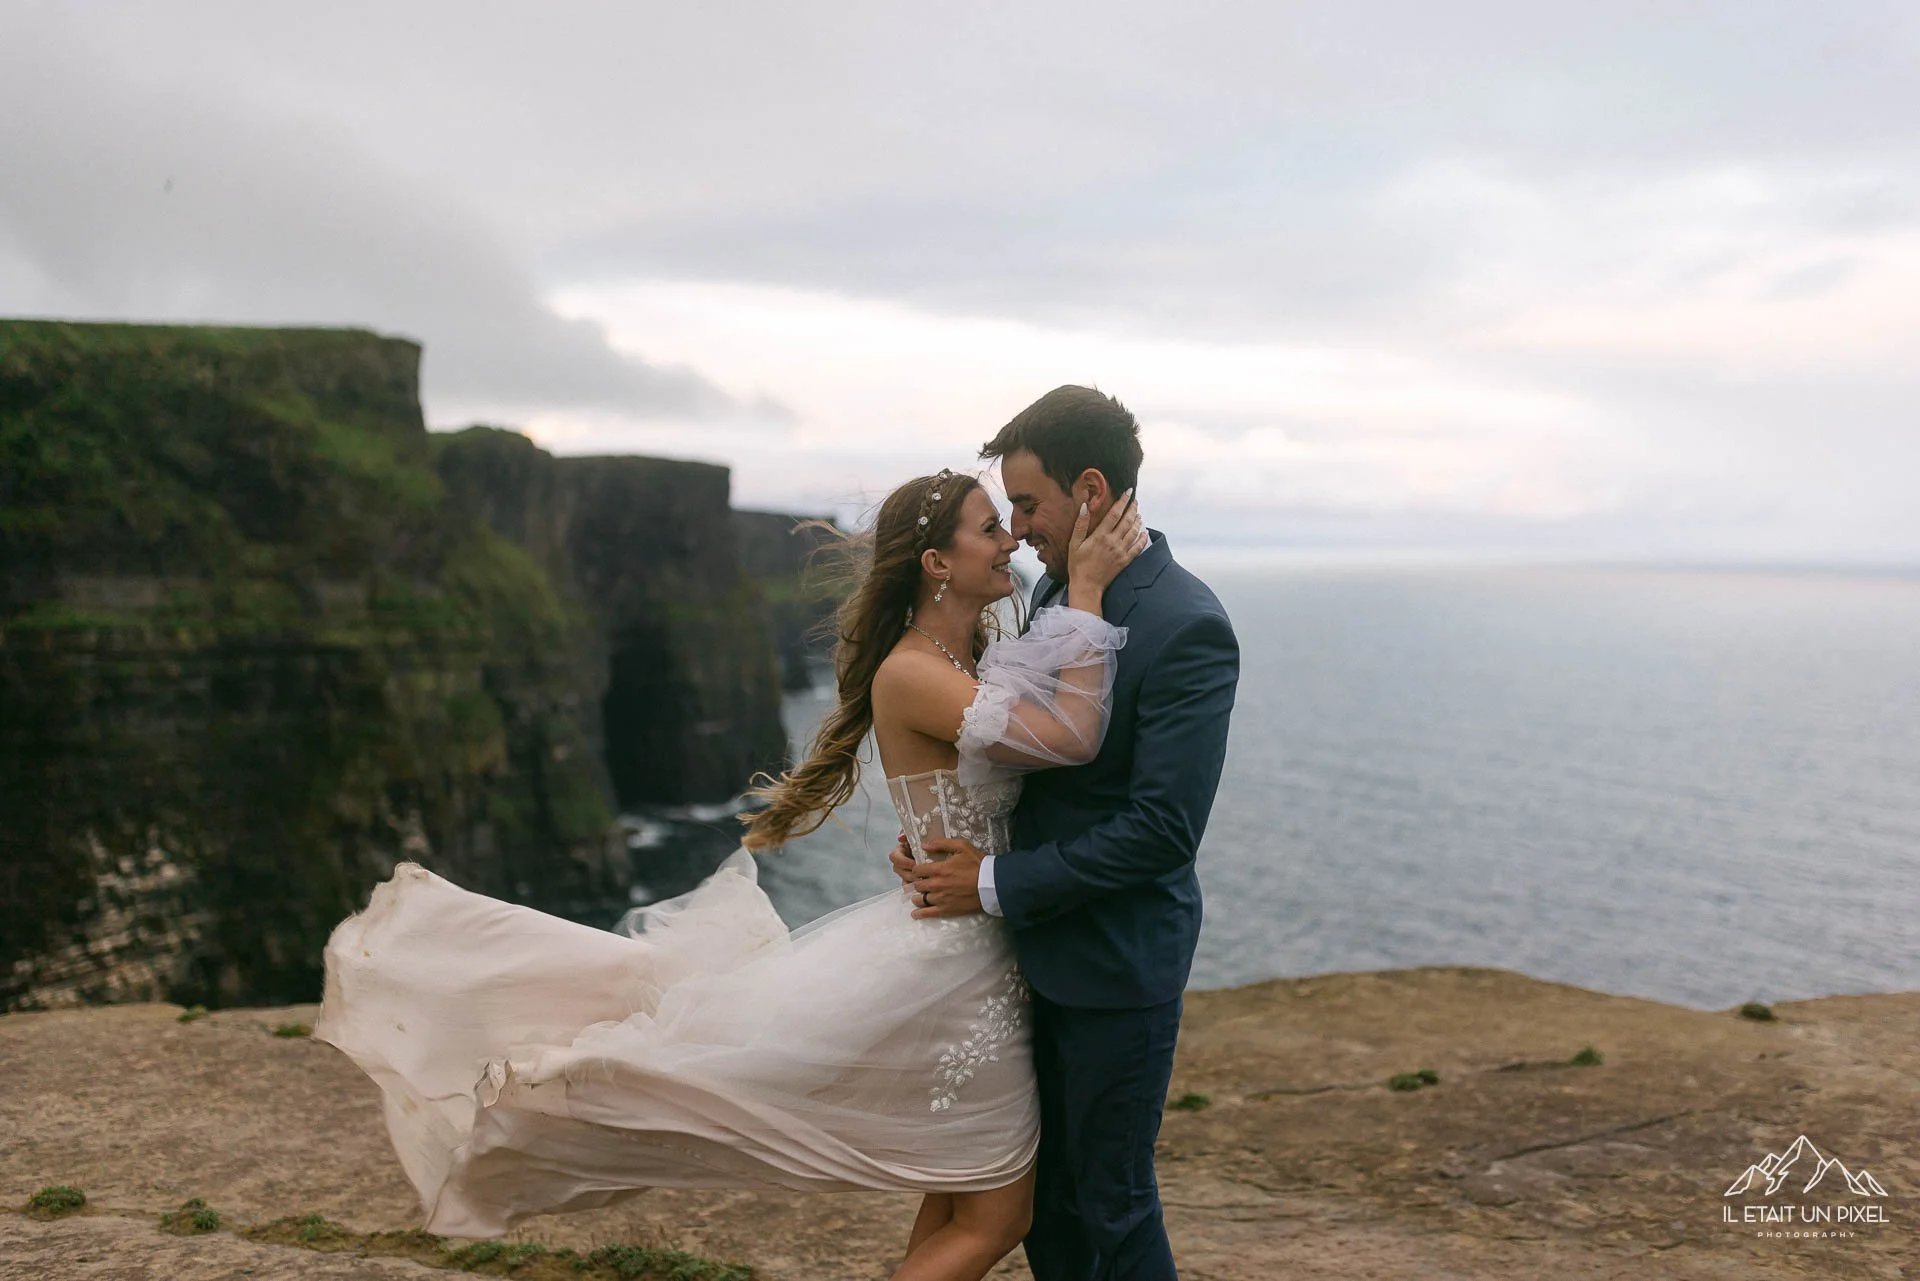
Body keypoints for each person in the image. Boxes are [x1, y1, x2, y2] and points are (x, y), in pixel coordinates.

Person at [313, 463, 1148, 1281]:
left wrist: (937, 843)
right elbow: (1071, 737)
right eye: (990, 527)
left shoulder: (963, 663)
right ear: (937, 562)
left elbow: (993, 790)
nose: (1010, 540)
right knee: (1001, 1215)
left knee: (962, 1199)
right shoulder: (912, 670)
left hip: (970, 943)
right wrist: (1086, 592)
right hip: (960, 969)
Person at [899, 386, 1240, 1281]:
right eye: (1005, 510)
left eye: (1027, 503)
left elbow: (1160, 831)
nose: (1017, 529)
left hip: (1113, 970)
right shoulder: (1058, 587)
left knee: (1113, 1200)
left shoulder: (1186, 625)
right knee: (1042, 1205)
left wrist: (988, 882)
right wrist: (939, 836)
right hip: (1023, 961)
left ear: (1090, 489)